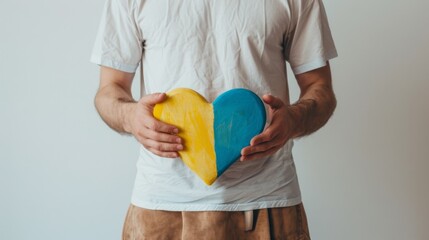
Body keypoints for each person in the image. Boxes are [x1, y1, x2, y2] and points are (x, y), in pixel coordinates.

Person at [91, 0, 337, 239]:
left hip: (266, 202)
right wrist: (130, 116)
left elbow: (319, 87)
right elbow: (110, 89)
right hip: (161, 208)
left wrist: (293, 119)